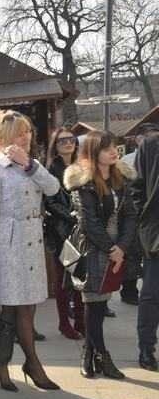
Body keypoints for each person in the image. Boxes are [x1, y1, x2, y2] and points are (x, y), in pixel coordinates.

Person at [0, 108, 61, 392]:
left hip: (32, 242)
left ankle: (8, 363)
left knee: (28, 305)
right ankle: (27, 363)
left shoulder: (32, 164)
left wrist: (30, 165)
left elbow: (53, 189)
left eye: (27, 131)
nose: (26, 137)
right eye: (19, 133)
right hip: (7, 246)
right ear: (2, 139)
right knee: (10, 309)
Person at [64, 130, 136, 379]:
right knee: (93, 304)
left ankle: (88, 353)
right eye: (107, 148)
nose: (113, 151)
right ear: (94, 153)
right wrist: (111, 248)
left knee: (100, 304)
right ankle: (102, 357)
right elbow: (89, 222)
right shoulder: (84, 182)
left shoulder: (121, 179)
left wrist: (122, 247)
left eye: (114, 147)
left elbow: (130, 216)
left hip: (117, 250)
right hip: (92, 251)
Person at [43, 128, 85, 339]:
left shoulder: (83, 165)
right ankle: (64, 323)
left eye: (71, 139)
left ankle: (80, 319)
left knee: (80, 276)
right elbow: (50, 202)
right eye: (62, 141)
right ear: (55, 146)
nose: (68, 143)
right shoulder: (51, 168)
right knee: (63, 279)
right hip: (61, 232)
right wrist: (74, 215)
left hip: (83, 231)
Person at [130, 127, 159, 371]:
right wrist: (144, 222)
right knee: (151, 295)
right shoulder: (150, 145)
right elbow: (136, 188)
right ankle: (147, 348)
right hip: (156, 233)